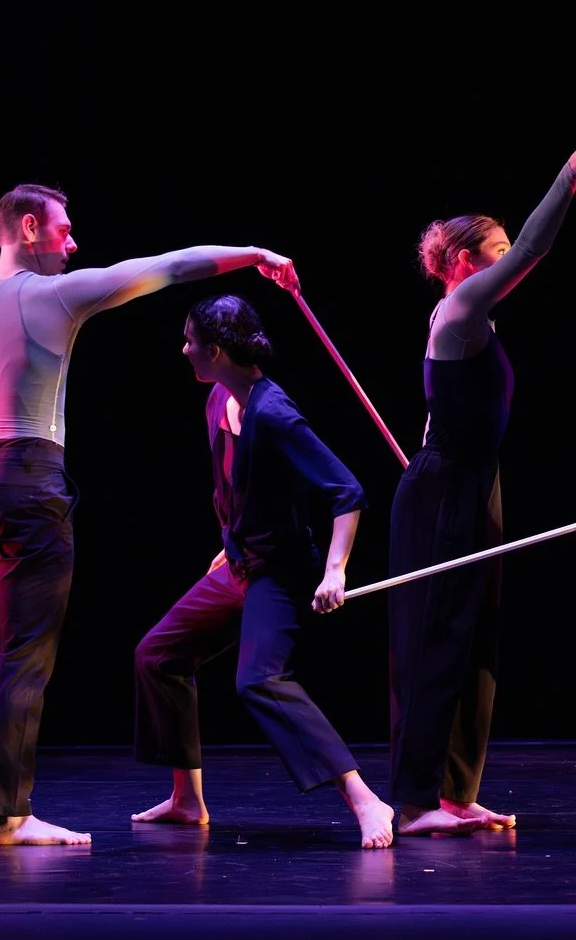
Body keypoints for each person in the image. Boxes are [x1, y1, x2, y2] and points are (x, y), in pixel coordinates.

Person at [0, 183, 300, 846]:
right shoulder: (57, 295)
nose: (74, 243)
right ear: (29, 228)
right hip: (27, 479)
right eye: (64, 230)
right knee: (24, 652)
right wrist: (253, 254)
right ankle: (14, 813)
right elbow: (170, 266)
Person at [388, 139, 576, 836]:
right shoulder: (457, 311)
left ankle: (458, 792)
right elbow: (534, 254)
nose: (507, 257)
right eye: (496, 248)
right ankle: (420, 799)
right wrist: (568, 178)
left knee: (476, 641)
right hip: (443, 490)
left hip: (475, 484)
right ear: (463, 262)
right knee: (436, 637)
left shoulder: (474, 320)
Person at [131, 294, 394, 848]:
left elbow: (347, 492)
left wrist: (335, 571)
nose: (184, 350)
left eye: (191, 341)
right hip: (241, 564)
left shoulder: (273, 413)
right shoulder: (217, 401)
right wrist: (231, 541)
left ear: (218, 350)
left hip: (281, 573)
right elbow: (239, 490)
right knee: (158, 655)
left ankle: (367, 800)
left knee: (259, 678)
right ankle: (187, 799)